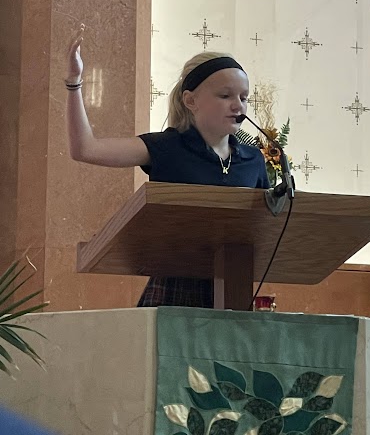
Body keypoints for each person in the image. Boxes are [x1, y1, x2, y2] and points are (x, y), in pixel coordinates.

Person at [65, 25, 269, 308]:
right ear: (190, 100)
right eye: (225, 96)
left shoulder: (253, 160)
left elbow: (267, 230)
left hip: (234, 290)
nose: (238, 106)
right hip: (173, 290)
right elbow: (85, 149)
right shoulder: (167, 147)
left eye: (244, 98)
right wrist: (74, 83)